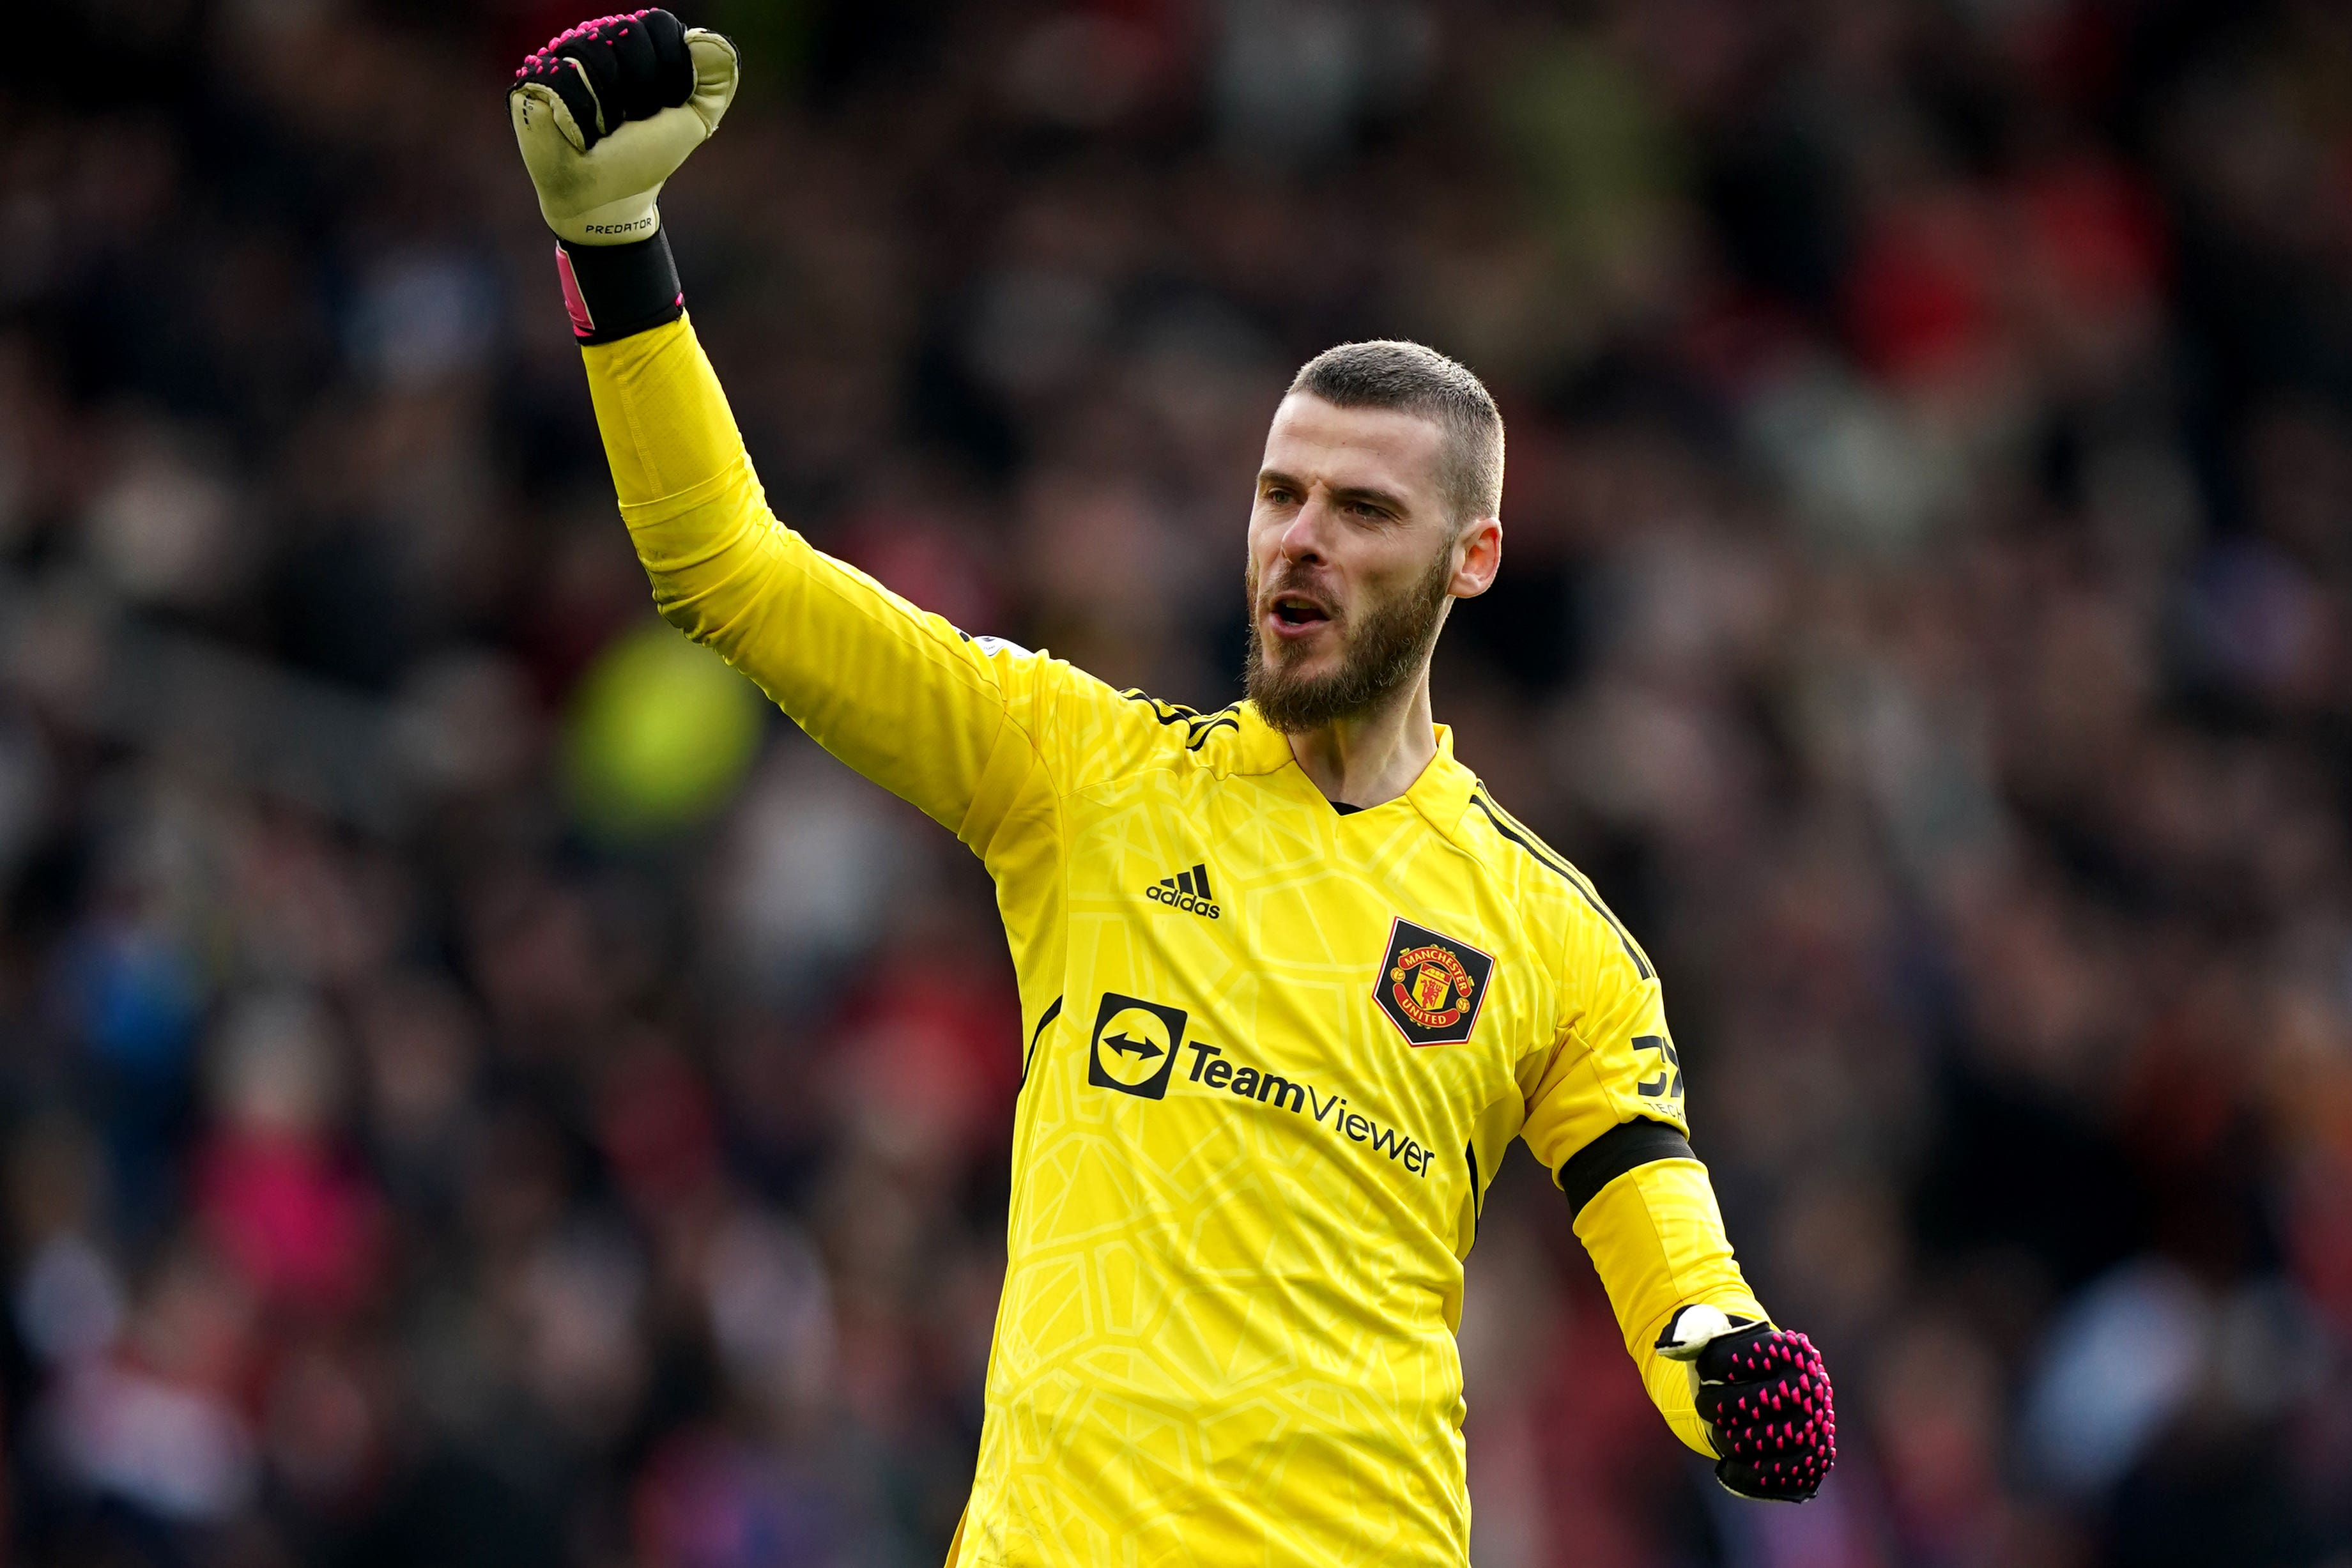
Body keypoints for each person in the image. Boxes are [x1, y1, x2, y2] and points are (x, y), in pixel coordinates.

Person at [508, 13, 1834, 1564]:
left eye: (1359, 508)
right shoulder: (1079, 774)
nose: (1298, 541)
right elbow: (723, 568)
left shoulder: (1557, 944)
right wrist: (614, 245)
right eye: (1278, 495)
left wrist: (1725, 1373)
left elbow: (1669, 1262)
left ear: (1471, 559)